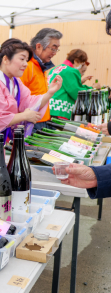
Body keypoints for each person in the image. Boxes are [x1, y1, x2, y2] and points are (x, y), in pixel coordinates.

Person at [0, 39, 62, 194]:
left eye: (26, 60)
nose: (25, 64)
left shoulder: (16, 83)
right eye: (21, 59)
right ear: (6, 59)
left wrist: (50, 92)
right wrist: (24, 116)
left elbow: (30, 102)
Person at [62, 10, 111, 197]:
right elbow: (77, 93)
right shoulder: (69, 70)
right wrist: (96, 176)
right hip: (62, 116)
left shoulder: (63, 69)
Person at [21, 28, 63, 132]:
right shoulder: (27, 66)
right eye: (53, 48)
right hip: (32, 123)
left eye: (57, 49)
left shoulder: (40, 65)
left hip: (41, 120)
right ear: (39, 46)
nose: (55, 53)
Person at [48, 49, 92, 120]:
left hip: (49, 107)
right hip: (60, 110)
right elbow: (77, 92)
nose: (82, 66)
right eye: (82, 64)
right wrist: (92, 89)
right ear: (76, 61)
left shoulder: (56, 68)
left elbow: (67, 85)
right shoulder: (70, 70)